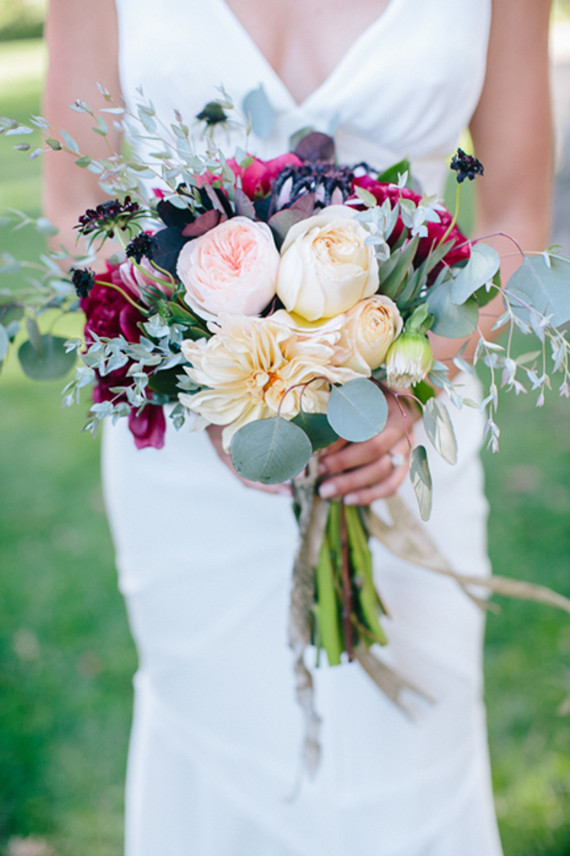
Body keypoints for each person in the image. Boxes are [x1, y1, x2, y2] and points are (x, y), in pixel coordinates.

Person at [42, 1, 553, 854]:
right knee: (220, 758)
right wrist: (206, 377)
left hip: (403, 445)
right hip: (190, 466)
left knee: (409, 778)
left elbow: (517, 220)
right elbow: (73, 203)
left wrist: (407, 387)